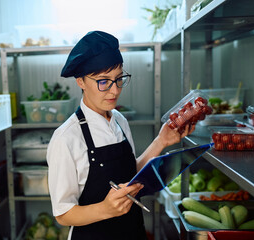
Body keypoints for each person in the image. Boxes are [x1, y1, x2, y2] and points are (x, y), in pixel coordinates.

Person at [46, 31, 194, 240]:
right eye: (103, 81)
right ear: (80, 81)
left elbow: (129, 174)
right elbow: (63, 213)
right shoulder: (66, 138)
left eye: (119, 79)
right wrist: (106, 209)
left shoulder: (119, 120)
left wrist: (162, 141)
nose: (115, 91)